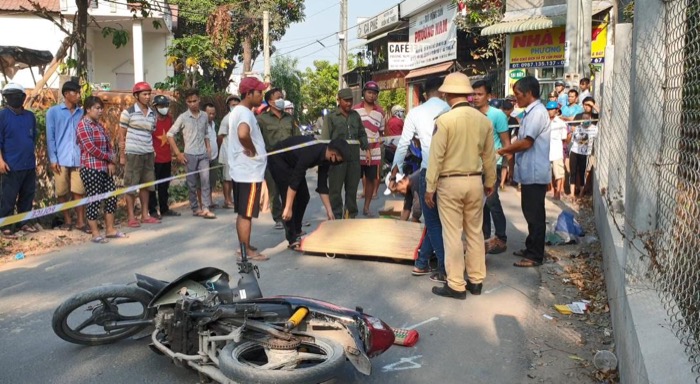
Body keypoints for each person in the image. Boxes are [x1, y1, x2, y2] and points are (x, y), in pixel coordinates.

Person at [425, 72, 496, 300]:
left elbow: (436, 157)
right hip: (475, 181)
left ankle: (456, 284)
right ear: (467, 94)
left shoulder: (444, 121)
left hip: (449, 182)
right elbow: (489, 156)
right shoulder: (483, 121)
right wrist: (490, 182)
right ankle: (476, 281)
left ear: (446, 94)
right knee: (475, 232)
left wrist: (430, 187)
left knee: (453, 235)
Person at [390, 77, 449, 283]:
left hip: (428, 171)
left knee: (432, 222)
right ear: (442, 92)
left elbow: (403, 144)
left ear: (424, 94)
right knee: (441, 222)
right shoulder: (451, 109)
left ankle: (429, 264)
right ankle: (429, 264)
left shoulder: (415, 113)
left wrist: (394, 173)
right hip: (450, 173)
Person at [498, 76, 551, 268]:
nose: (516, 99)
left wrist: (504, 150)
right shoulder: (530, 112)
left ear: (529, 93)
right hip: (529, 171)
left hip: (535, 172)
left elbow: (527, 142)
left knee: (535, 215)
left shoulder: (537, 113)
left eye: (518, 95)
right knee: (529, 213)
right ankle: (530, 247)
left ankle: (535, 255)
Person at [268, 136, 350, 248]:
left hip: (293, 163)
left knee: (304, 196)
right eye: (339, 160)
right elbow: (294, 181)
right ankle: (292, 238)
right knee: (291, 200)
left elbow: (322, 186)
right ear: (333, 154)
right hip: (279, 160)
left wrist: (329, 211)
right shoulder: (312, 152)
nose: (338, 163)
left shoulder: (326, 158)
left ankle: (297, 229)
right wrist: (288, 207)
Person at [227, 76, 269, 260]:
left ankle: (244, 246)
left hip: (242, 171)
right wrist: (252, 149)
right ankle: (247, 251)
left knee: (243, 211)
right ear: (249, 93)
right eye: (259, 92)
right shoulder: (244, 113)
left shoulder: (239, 111)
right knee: (246, 213)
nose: (262, 96)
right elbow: (243, 134)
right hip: (248, 172)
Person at [76, 96, 126, 243]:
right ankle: (95, 233)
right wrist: (109, 158)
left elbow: (108, 144)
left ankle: (110, 230)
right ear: (88, 109)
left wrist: (110, 161)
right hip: (91, 168)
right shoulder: (83, 126)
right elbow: (90, 148)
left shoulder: (99, 125)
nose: (100, 111)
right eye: (97, 108)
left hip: (105, 168)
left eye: (100, 108)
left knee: (111, 197)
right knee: (95, 200)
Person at [472, 80, 510, 255]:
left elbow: (506, 143)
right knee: (481, 204)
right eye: (474, 94)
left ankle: (501, 238)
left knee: (493, 201)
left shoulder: (497, 115)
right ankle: (485, 236)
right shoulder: (471, 114)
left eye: (480, 94)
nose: (476, 97)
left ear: (489, 96)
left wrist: (505, 165)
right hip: (474, 166)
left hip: (492, 165)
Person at [322, 88, 370, 219]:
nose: (349, 103)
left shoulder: (355, 116)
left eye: (351, 100)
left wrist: (366, 145)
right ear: (339, 100)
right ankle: (336, 216)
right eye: (346, 101)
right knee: (335, 190)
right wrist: (325, 161)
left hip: (354, 158)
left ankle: (350, 215)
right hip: (336, 161)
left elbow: (361, 133)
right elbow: (325, 140)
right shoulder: (331, 117)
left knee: (352, 189)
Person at [167, 88, 215, 219]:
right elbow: (170, 134)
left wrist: (208, 147)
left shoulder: (205, 115)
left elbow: (206, 133)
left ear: (199, 100)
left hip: (203, 154)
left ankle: (206, 207)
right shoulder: (183, 117)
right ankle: (195, 208)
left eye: (195, 100)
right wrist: (178, 153)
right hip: (190, 154)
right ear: (186, 102)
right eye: (189, 101)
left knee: (206, 181)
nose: (192, 103)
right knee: (192, 183)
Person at [46, 80, 87, 232]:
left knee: (79, 190)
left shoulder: (82, 113)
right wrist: (53, 159)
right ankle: (68, 220)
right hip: (60, 159)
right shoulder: (53, 112)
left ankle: (81, 221)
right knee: (62, 191)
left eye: (78, 92)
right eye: (75, 92)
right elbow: (50, 137)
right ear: (65, 94)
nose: (78, 95)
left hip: (78, 158)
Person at [119, 81, 161, 228]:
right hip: (133, 153)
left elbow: (151, 133)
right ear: (136, 96)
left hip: (148, 153)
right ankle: (131, 216)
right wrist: (122, 156)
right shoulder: (128, 113)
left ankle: (145, 214)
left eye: (149, 94)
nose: (147, 97)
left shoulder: (152, 114)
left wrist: (152, 151)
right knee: (131, 185)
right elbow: (121, 136)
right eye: (144, 94)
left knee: (147, 185)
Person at [0, 83, 38, 238]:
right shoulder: (2, 116)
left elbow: (32, 138)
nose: (14, 98)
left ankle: (24, 223)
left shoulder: (30, 116)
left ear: (23, 97)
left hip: (28, 162)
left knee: (27, 194)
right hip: (10, 164)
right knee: (8, 196)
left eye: (17, 95)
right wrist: (0, 161)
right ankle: (6, 226)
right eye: (10, 95)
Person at [257, 88, 296, 229]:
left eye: (282, 97)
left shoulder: (289, 118)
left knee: (290, 187)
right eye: (278, 97)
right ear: (270, 102)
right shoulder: (261, 119)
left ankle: (292, 215)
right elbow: (256, 139)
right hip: (271, 158)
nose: (281, 100)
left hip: (289, 158)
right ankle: (278, 218)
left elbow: (296, 137)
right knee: (274, 189)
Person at [354, 81, 385, 216]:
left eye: (374, 93)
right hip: (357, 150)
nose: (372, 96)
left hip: (374, 151)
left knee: (371, 179)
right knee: (354, 179)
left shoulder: (380, 112)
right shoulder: (355, 110)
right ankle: (351, 207)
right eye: (369, 92)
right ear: (364, 93)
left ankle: (366, 207)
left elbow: (382, 132)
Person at [148, 94, 180, 219]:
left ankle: (164, 208)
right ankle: (152, 210)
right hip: (155, 159)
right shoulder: (152, 121)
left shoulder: (169, 119)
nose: (164, 108)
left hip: (166, 157)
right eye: (161, 106)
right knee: (152, 186)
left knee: (164, 185)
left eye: (166, 105)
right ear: (155, 107)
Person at [568, 112, 598, 199]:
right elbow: (576, 139)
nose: (585, 120)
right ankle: (572, 194)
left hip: (585, 154)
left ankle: (581, 193)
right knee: (573, 172)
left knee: (582, 173)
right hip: (575, 151)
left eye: (587, 118)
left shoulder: (594, 129)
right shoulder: (578, 128)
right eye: (584, 118)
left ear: (590, 119)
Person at [218, 94, 240, 209]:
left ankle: (232, 199)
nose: (235, 106)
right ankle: (227, 200)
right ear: (228, 106)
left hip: (237, 153)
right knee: (227, 178)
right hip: (227, 152)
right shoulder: (227, 119)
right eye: (233, 105)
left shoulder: (240, 117)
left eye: (237, 104)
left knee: (234, 178)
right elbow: (220, 136)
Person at [196, 103, 219, 210]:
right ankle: (202, 204)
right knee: (202, 182)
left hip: (214, 157)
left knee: (211, 181)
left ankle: (209, 201)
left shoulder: (214, 124)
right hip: (203, 157)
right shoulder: (200, 124)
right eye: (209, 113)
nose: (211, 116)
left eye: (213, 113)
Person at [547, 101, 567, 200]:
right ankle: (551, 189)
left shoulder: (561, 123)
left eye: (551, 109)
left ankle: (558, 191)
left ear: (556, 110)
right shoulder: (545, 122)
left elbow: (564, 138)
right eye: (548, 109)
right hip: (546, 151)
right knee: (549, 172)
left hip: (556, 151)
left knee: (558, 173)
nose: (550, 111)